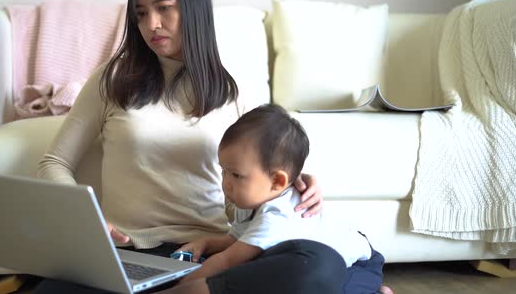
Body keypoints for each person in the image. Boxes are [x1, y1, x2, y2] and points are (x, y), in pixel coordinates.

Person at [36, 0, 332, 292]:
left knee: (316, 263)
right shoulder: (113, 78)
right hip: (125, 253)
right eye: (141, 13)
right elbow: (54, 163)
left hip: (206, 255)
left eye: (164, 8)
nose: (152, 24)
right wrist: (87, 220)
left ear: (193, 7)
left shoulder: (234, 87)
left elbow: (266, 169)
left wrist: (298, 184)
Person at [157, 104, 393, 294]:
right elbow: (236, 240)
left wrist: (181, 286)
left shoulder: (277, 216)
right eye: (224, 171)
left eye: (237, 175)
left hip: (357, 263)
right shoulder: (249, 201)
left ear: (278, 182)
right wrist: (206, 243)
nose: (226, 183)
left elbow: (228, 260)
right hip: (296, 254)